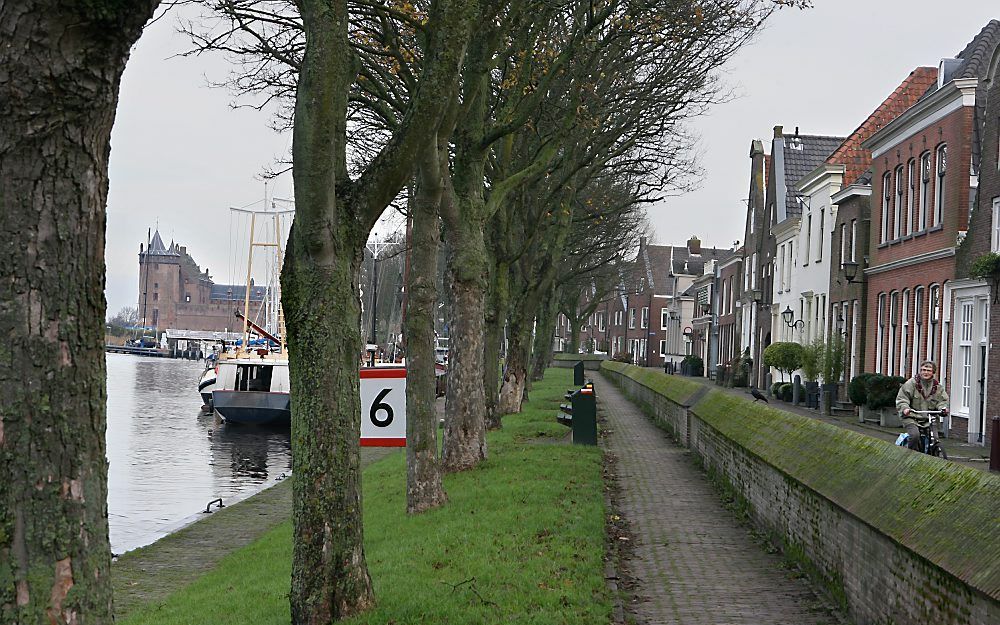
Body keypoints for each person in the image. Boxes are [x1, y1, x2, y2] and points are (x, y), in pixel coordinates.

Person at [895, 360, 949, 451]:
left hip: (929, 418)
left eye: (928, 370)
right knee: (915, 436)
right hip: (912, 417)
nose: (925, 372)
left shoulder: (937, 387)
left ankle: (935, 457)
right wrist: (905, 409)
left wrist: (943, 408)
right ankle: (912, 455)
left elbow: (942, 401)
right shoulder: (911, 384)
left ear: (933, 373)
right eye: (923, 370)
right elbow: (902, 399)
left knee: (935, 439)